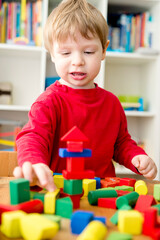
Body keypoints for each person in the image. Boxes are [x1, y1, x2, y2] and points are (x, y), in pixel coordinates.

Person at [13, 0, 157, 191]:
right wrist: (33, 162)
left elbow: (121, 143)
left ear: (104, 50)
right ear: (52, 54)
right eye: (65, 53)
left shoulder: (112, 103)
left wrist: (136, 156)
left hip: (102, 193)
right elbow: (33, 137)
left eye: (88, 52)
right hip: (61, 191)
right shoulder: (48, 102)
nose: (78, 61)